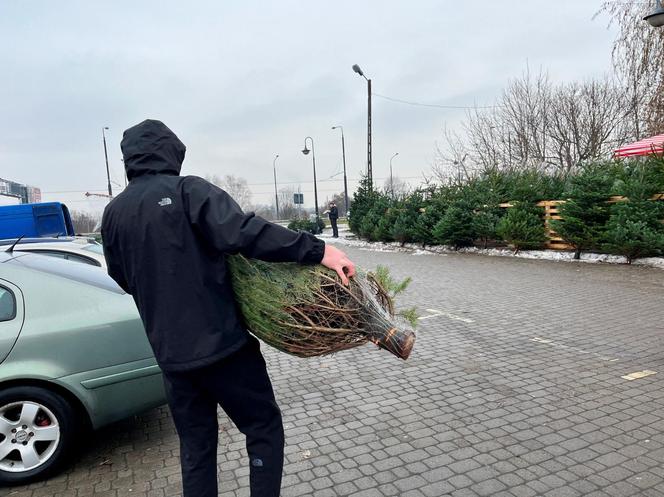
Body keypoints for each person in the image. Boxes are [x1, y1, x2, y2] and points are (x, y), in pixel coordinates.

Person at [101, 119, 355, 497]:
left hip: (172, 360)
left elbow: (122, 277)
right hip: (224, 350)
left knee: (197, 447)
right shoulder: (188, 191)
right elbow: (244, 232)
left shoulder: (113, 215)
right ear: (171, 151)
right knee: (263, 427)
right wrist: (318, 250)